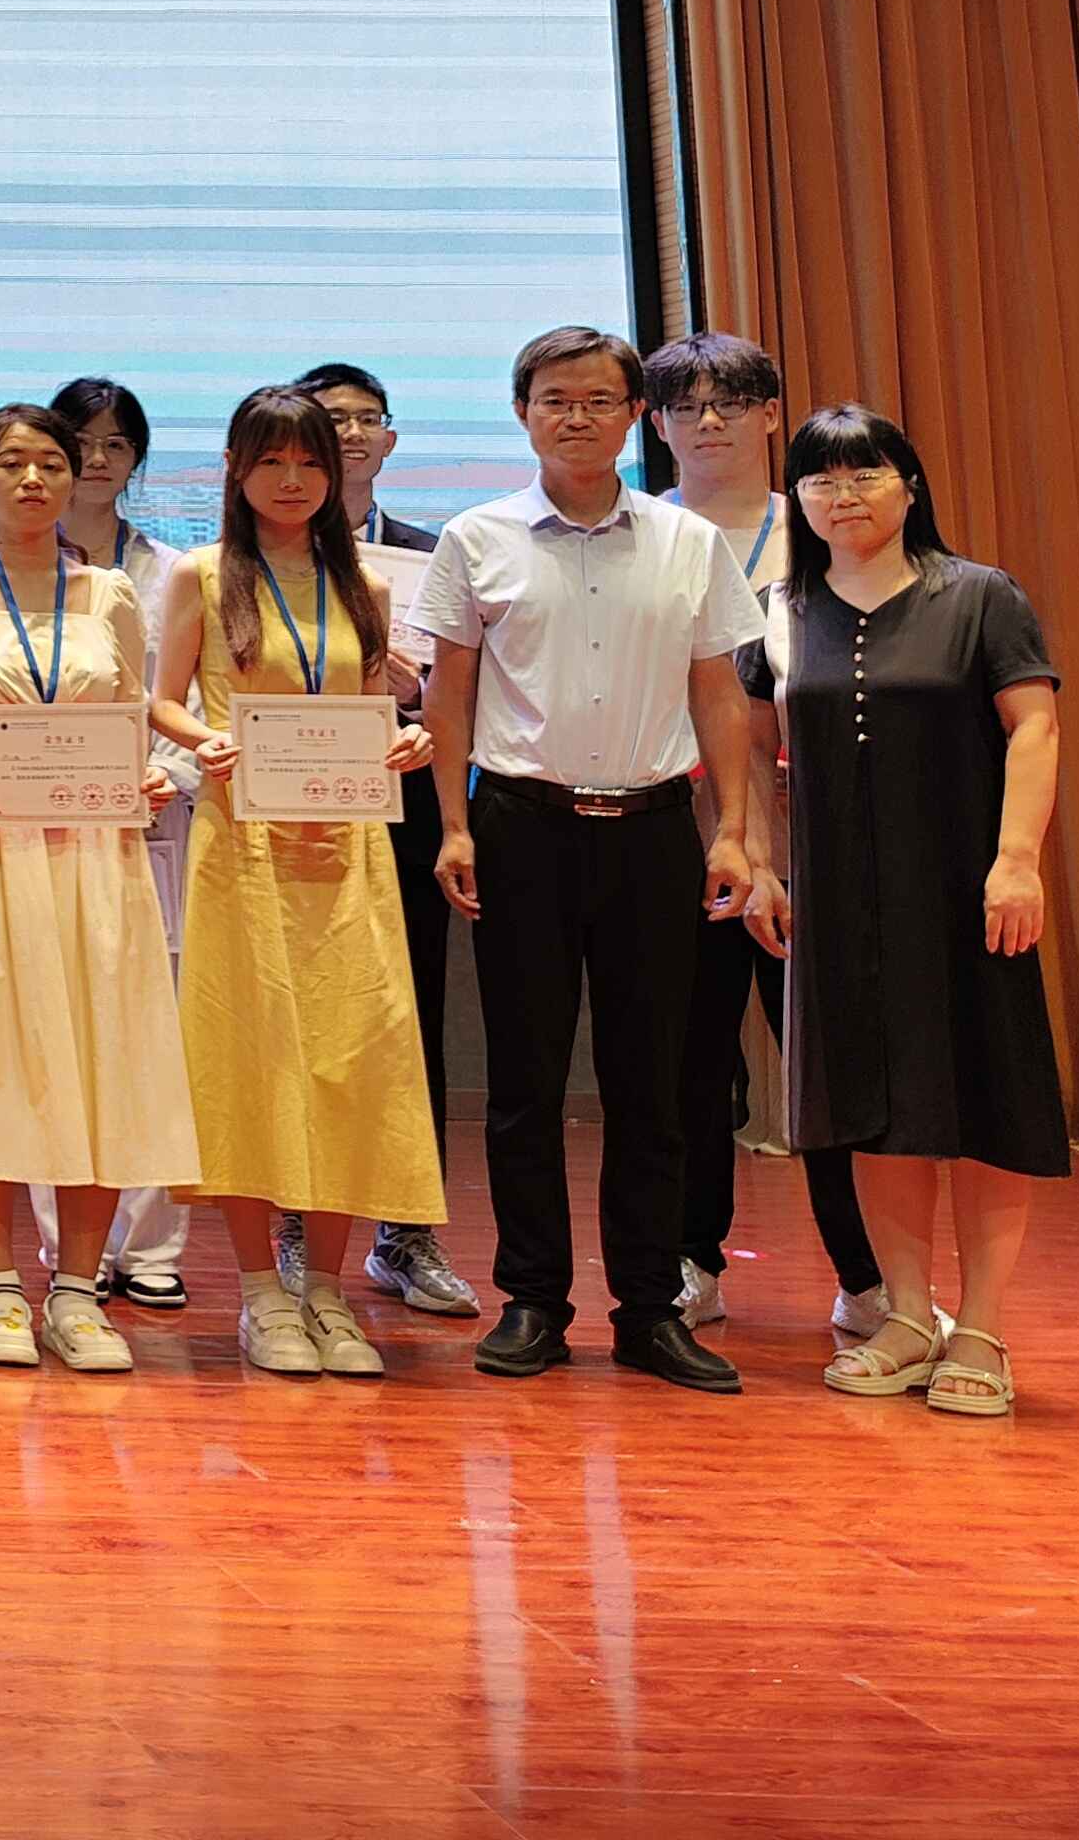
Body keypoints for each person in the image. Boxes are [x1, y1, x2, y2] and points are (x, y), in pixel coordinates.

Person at [413, 324, 766, 1393]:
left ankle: (650, 1310)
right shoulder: (475, 537)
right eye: (555, 399)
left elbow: (718, 693)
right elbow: (448, 694)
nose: (577, 417)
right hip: (521, 825)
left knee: (651, 1082)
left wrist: (735, 829)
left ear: (634, 417)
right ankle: (533, 1301)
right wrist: (455, 824)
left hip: (655, 831)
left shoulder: (685, 540)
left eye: (599, 400)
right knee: (522, 1083)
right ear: (522, 413)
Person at [748, 408, 1066, 1417]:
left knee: (983, 1102)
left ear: (910, 484)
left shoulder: (978, 595)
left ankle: (982, 1328)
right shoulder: (778, 609)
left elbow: (1033, 728)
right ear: (798, 497)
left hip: (966, 889)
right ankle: (906, 1315)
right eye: (820, 479)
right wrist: (759, 861)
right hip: (836, 899)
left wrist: (1016, 861)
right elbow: (748, 746)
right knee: (873, 1109)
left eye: (865, 474)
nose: (842, 495)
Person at [147, 389, 445, 1380]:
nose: (291, 480)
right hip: (242, 848)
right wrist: (205, 739)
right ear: (237, 470)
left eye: (309, 462)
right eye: (270, 461)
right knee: (248, 1058)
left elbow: (369, 708)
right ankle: (260, 1294)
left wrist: (404, 742)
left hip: (346, 851)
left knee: (350, 1061)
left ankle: (325, 1288)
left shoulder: (365, 582)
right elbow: (160, 700)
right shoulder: (201, 575)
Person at [0, 402, 199, 1375]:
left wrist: (145, 774)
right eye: (11, 464)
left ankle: (75, 1292)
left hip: (95, 855)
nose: (32, 481)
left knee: (103, 1058)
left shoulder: (111, 592)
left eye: (51, 465)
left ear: (77, 481)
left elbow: (130, 714)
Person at [646, 332, 890, 1339]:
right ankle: (691, 1261)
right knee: (690, 1065)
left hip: (814, 841)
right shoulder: (641, 533)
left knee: (827, 1062)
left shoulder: (825, 527)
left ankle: (868, 1277)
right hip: (676, 837)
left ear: (769, 416)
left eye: (731, 401)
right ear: (657, 424)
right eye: (685, 405)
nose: (709, 421)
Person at [295, 359, 479, 1317]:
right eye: (333, 419)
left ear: (391, 439)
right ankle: (299, 1223)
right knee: (300, 1018)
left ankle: (407, 1232)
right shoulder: (253, 561)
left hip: (402, 807)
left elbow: (473, 690)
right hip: (290, 811)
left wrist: (418, 691)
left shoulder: (434, 555)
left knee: (408, 1015)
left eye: (369, 418)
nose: (353, 433)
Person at [41, 372, 195, 1313]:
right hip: (39, 829)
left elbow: (193, 696)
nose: (95, 460)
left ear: (136, 460)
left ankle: (155, 1245)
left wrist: (161, 779)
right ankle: (70, 1248)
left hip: (153, 823)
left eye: (115, 444)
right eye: (79, 442)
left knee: (156, 1038)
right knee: (51, 1039)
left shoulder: (176, 572)